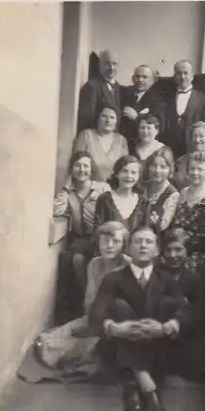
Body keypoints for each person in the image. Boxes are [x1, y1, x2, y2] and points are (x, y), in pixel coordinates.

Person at [89, 226, 191, 411]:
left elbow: (185, 310)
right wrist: (114, 327)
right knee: (119, 305)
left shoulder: (167, 279)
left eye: (149, 242)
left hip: (156, 346)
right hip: (120, 342)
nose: (143, 245)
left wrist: (167, 327)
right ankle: (148, 387)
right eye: (137, 241)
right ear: (127, 249)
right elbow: (96, 313)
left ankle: (132, 382)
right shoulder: (113, 278)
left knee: (167, 303)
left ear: (156, 250)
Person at [34, 221, 130, 375]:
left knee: (93, 350)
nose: (110, 245)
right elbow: (90, 298)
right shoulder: (95, 264)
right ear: (98, 243)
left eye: (116, 241)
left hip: (117, 323)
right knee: (49, 341)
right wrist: (87, 322)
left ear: (124, 244)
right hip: (94, 316)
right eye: (105, 241)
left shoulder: (128, 266)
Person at [53, 151, 109, 322]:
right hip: (80, 239)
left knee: (77, 260)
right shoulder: (68, 193)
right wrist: (65, 186)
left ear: (91, 169)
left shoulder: (101, 188)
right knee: (67, 259)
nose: (81, 169)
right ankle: (71, 309)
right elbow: (57, 211)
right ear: (71, 169)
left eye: (86, 165)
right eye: (77, 165)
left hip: (100, 237)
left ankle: (89, 304)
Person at [157, 228, 205, 381]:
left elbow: (199, 309)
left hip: (183, 332)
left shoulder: (193, 279)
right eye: (168, 250)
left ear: (187, 251)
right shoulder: (156, 274)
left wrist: (180, 320)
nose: (173, 255)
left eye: (178, 249)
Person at [170, 151, 205, 280]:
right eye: (192, 169)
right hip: (178, 244)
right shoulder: (183, 193)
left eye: (200, 169)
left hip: (200, 250)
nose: (195, 173)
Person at [161, 60, 205, 160]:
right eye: (179, 73)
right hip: (170, 150)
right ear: (175, 76)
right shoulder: (166, 98)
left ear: (192, 76)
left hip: (193, 150)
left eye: (186, 73)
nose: (183, 77)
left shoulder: (204, 99)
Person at [73, 105, 128, 183]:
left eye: (112, 117)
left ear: (117, 121)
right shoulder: (86, 135)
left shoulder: (121, 140)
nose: (108, 120)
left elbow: (125, 169)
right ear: (98, 118)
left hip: (113, 189)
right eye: (104, 116)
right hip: (88, 188)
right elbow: (75, 165)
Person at [94, 155, 148, 232]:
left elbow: (146, 233)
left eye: (133, 172)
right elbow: (97, 232)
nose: (129, 176)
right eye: (124, 171)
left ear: (138, 176)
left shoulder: (143, 202)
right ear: (117, 174)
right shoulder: (104, 199)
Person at [120, 65, 165, 151]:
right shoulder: (124, 93)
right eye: (137, 76)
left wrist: (137, 118)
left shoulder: (158, 100)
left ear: (152, 80)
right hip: (122, 144)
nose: (140, 80)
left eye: (144, 77)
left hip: (143, 146)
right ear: (132, 78)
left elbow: (160, 126)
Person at [77, 50, 122, 133]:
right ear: (100, 65)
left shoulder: (119, 88)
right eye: (107, 64)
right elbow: (87, 118)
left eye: (114, 64)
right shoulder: (91, 86)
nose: (111, 68)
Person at [175, 121, 205, 191]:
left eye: (201, 136)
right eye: (195, 136)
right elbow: (179, 184)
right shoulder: (182, 160)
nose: (197, 140)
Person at [142, 147, 179, 235]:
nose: (157, 170)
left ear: (170, 169)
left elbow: (163, 226)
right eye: (154, 165)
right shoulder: (141, 187)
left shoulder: (172, 194)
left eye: (163, 167)